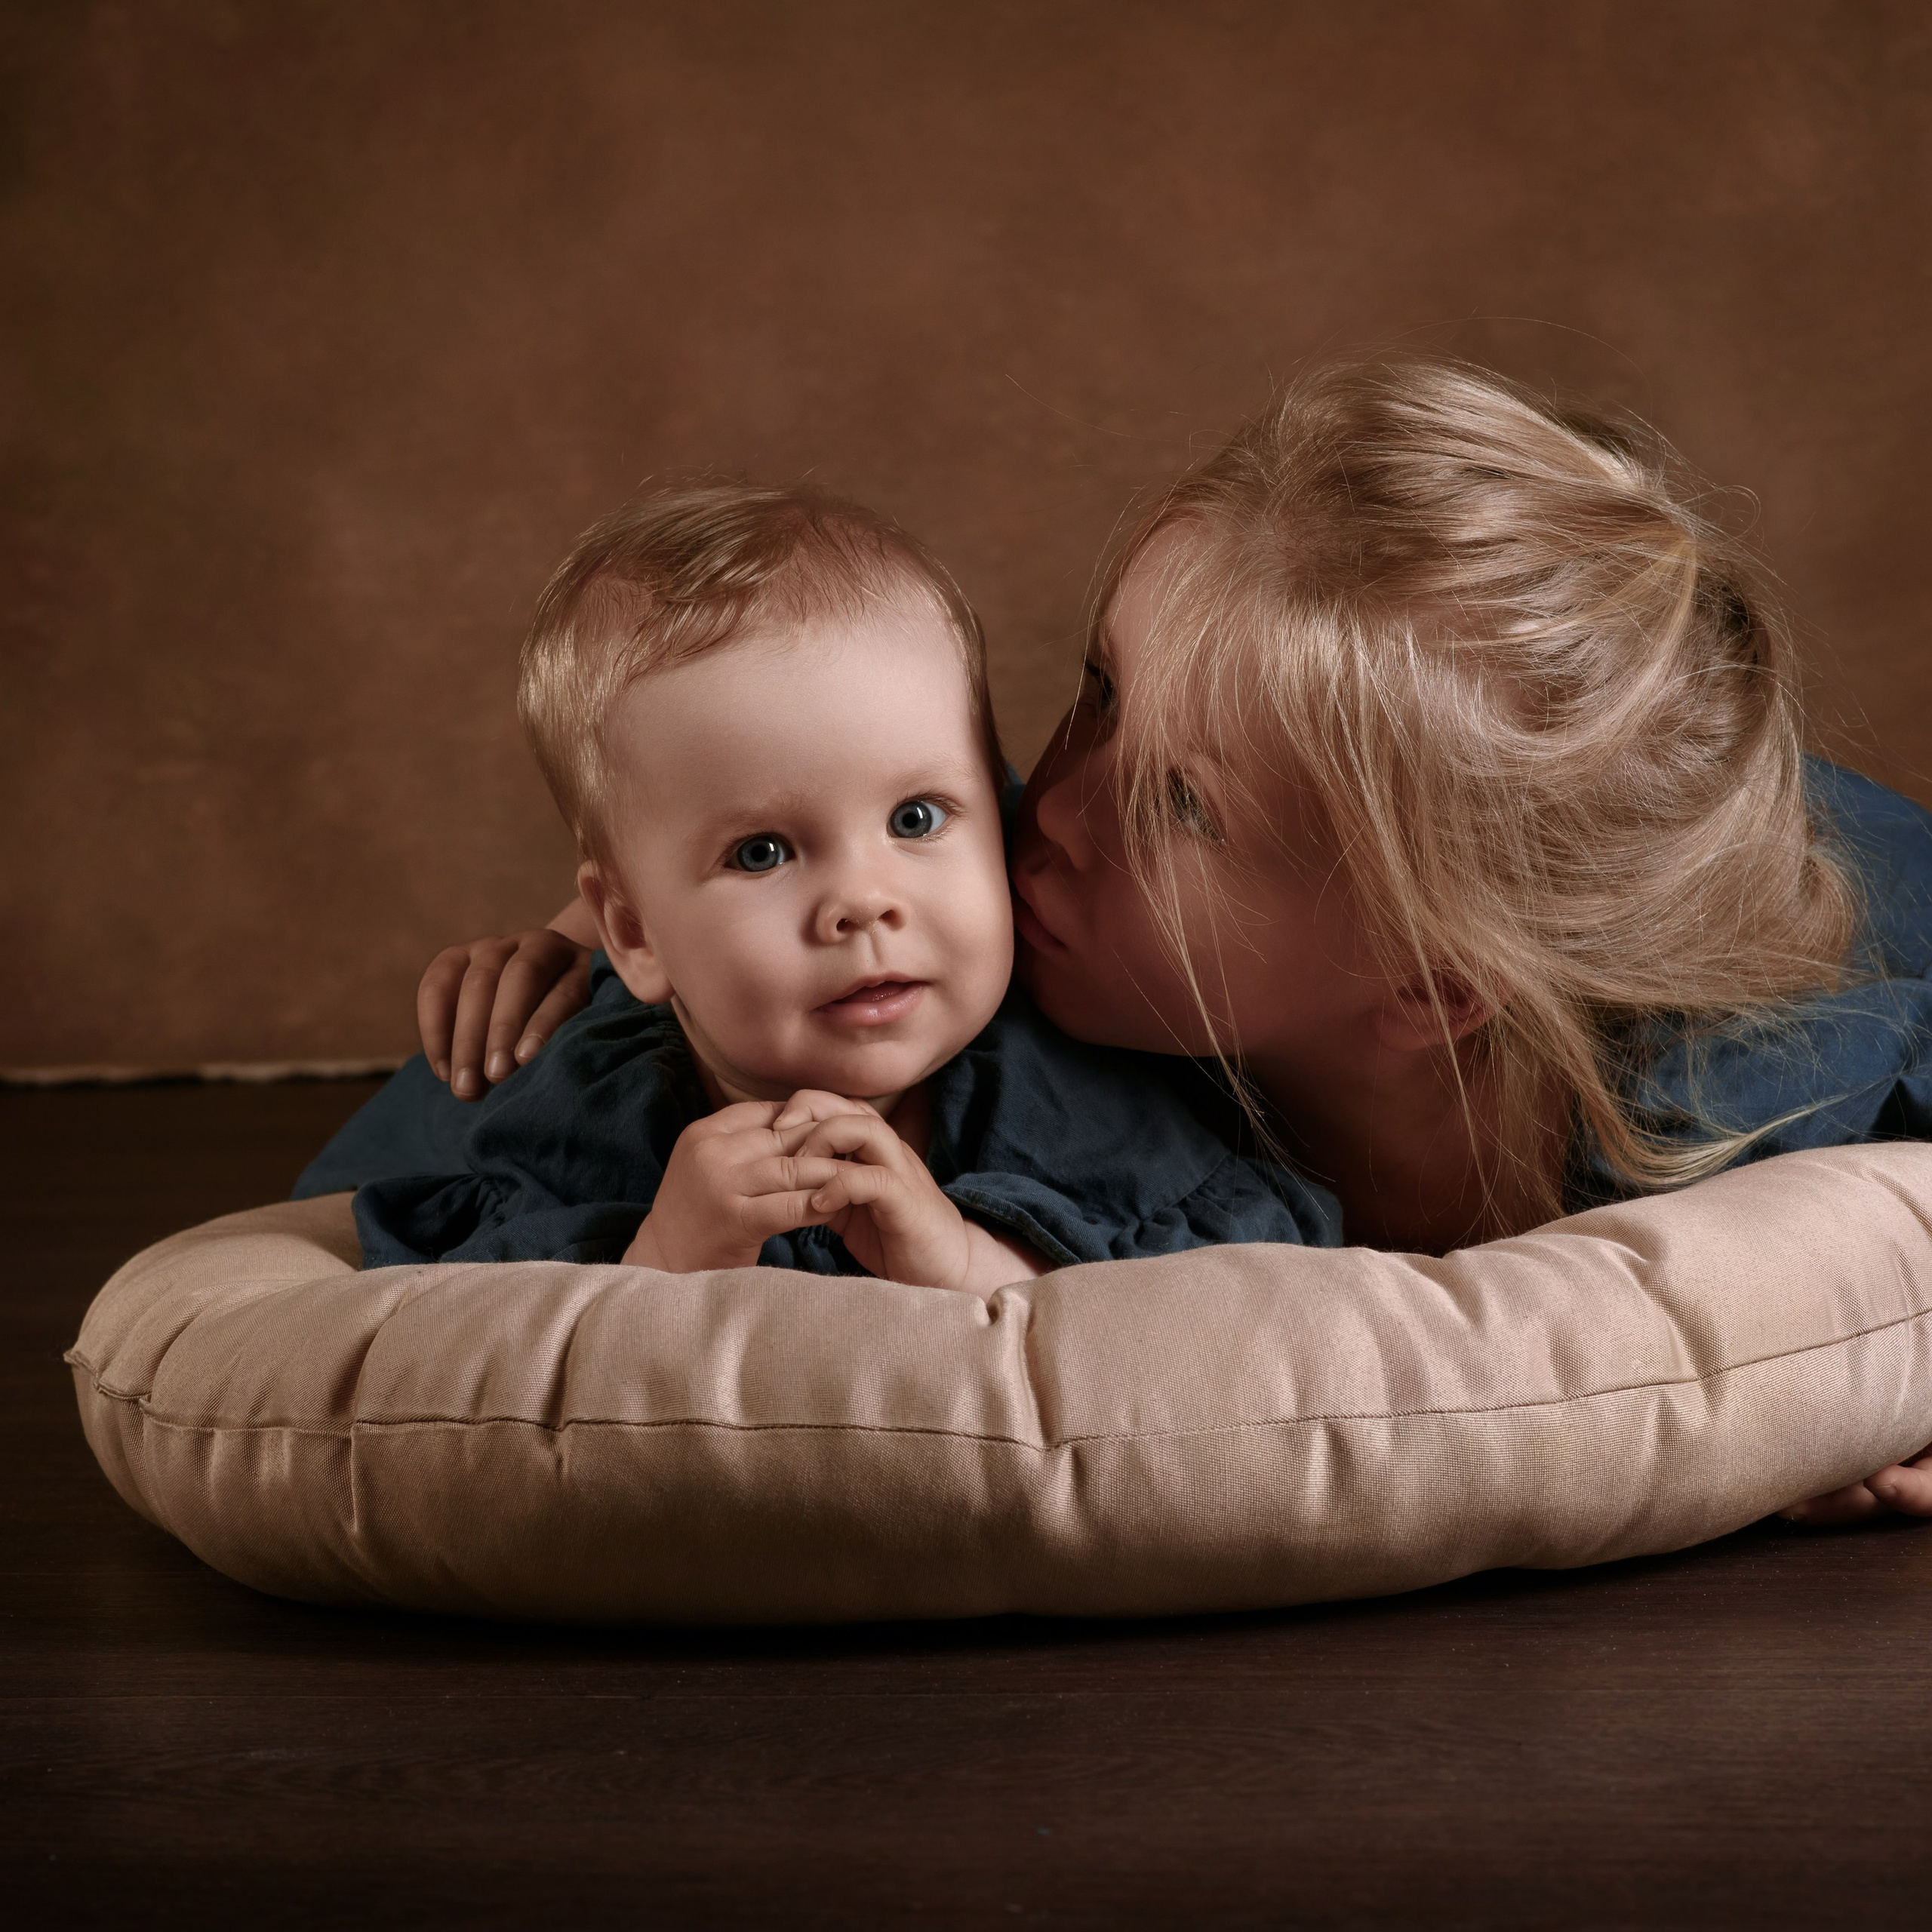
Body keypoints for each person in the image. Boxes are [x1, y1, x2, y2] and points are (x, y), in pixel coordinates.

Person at [389, 358, 1932, 1522]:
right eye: (1101, 688)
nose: (1055, 806)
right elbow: (791, 794)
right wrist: (614, 920)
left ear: (1428, 982)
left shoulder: (1741, 1096)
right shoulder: (1012, 928)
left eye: (1181, 803)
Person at [328, 485, 1337, 1297]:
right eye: (763, 853)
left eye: (917, 819)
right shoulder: (588, 1118)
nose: (864, 903)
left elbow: (1233, 1277)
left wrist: (968, 1264)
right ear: (632, 933)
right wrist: (664, 1264)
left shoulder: (1074, 1088)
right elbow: (460, 1353)